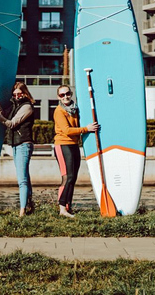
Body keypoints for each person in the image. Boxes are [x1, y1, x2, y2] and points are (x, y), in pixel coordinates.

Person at [53, 84, 99, 218]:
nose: (65, 97)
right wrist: (86, 129)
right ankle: (62, 209)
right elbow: (67, 130)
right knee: (67, 177)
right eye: (62, 95)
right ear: (58, 97)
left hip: (74, 144)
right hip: (62, 145)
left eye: (67, 94)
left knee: (73, 177)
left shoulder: (75, 109)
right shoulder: (59, 111)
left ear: (71, 94)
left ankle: (68, 206)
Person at [0, 81, 36, 217]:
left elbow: (11, 123)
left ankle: (22, 211)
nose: (17, 95)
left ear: (25, 93)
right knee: (25, 178)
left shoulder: (27, 107)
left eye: (20, 93)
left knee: (22, 180)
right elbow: (5, 113)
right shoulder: (15, 106)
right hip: (16, 144)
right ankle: (29, 206)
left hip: (23, 144)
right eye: (15, 93)